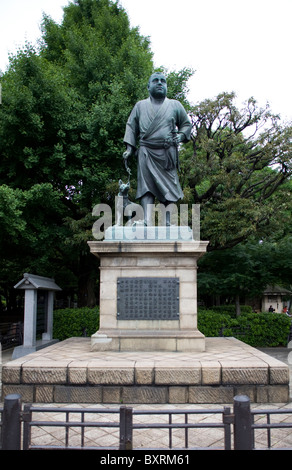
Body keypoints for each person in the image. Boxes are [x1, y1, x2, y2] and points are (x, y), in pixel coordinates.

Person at [123, 72, 192, 226]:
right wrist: (129, 148)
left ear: (166, 86)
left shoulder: (175, 105)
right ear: (148, 86)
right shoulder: (140, 106)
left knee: (169, 188)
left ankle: (167, 222)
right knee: (146, 187)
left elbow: (186, 124)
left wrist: (180, 137)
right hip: (146, 150)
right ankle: (147, 220)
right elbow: (131, 126)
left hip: (167, 153)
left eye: (163, 81)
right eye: (155, 81)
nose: (160, 83)